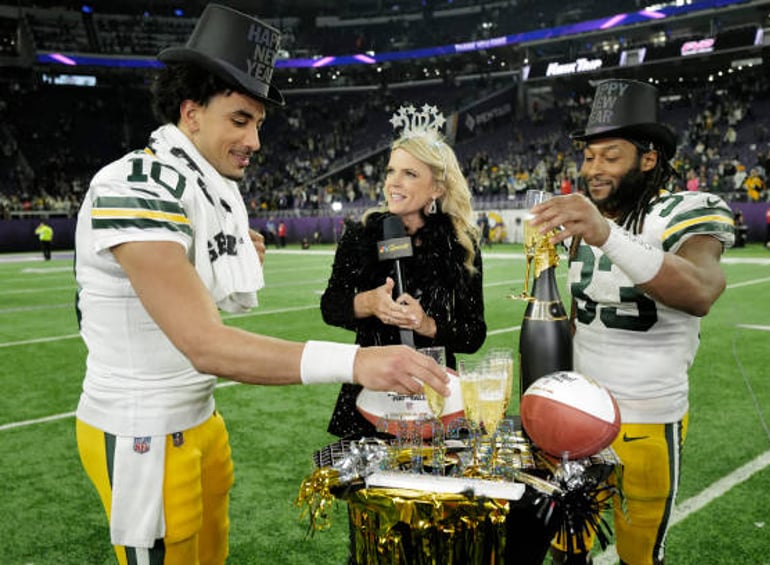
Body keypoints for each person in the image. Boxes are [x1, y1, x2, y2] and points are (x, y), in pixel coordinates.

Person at [72, 6, 448, 564]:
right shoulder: (135, 183)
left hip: (198, 418)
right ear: (191, 114)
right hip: (142, 430)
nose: (254, 140)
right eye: (240, 119)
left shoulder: (202, 187)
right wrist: (356, 364)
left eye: (258, 123)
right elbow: (204, 344)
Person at [530, 79, 736, 565]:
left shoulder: (685, 209)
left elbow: (701, 292)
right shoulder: (589, 215)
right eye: (589, 157)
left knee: (638, 556)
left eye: (610, 156)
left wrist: (606, 235)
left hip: (648, 414)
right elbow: (582, 318)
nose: (593, 169)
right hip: (578, 411)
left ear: (648, 158)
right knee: (565, 549)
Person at [321, 104, 487, 439]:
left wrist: (427, 324)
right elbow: (331, 306)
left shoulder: (461, 245)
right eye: (391, 171)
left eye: (409, 174)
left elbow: (474, 334)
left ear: (437, 188)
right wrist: (369, 303)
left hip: (437, 395)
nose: (393, 183)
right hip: (373, 392)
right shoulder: (360, 235)